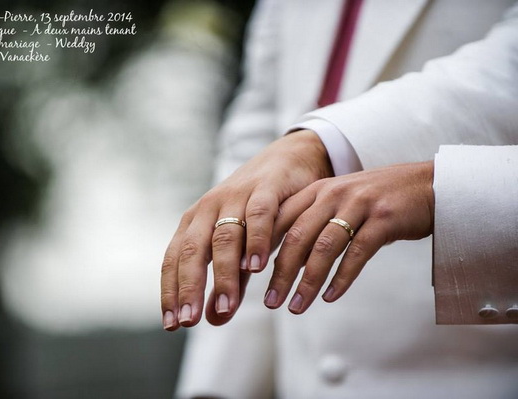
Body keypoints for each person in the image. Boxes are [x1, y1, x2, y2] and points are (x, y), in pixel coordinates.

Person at [163, 1, 518, 397]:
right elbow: (259, 128)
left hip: (469, 370)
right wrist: (218, 388)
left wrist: (322, 143)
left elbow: (510, 63)